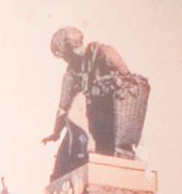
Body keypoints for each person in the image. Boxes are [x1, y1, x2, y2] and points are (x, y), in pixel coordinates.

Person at [45, 27, 150, 175]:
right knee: (66, 157)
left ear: (67, 51)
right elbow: (63, 106)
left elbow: (128, 82)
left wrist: (109, 83)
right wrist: (56, 133)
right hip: (94, 120)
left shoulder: (103, 53)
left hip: (112, 118)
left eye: (64, 55)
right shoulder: (72, 72)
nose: (65, 59)